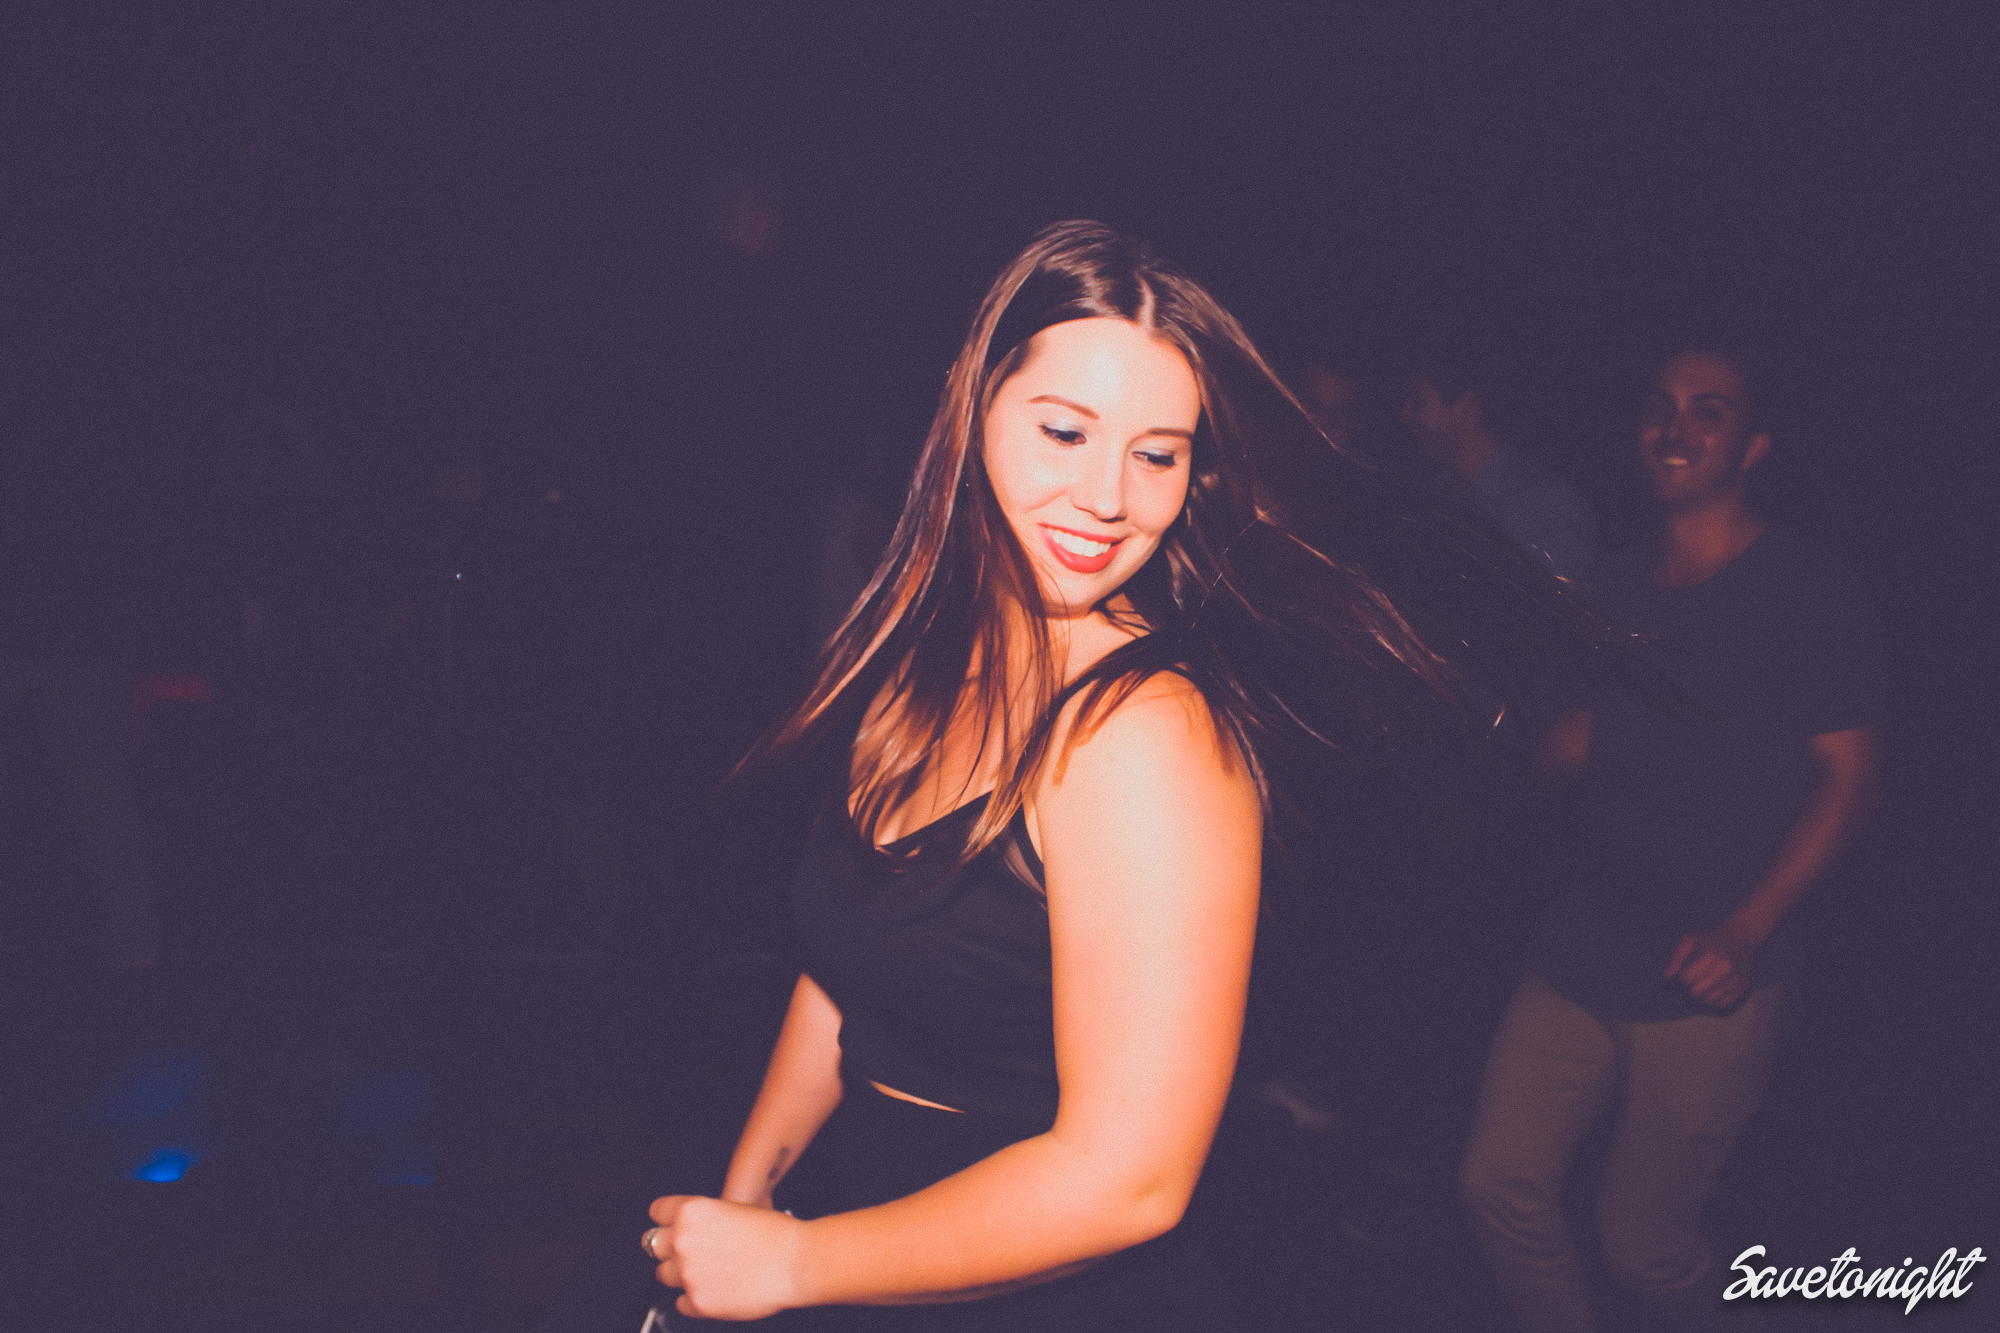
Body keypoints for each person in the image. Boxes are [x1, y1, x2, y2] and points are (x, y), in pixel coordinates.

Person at [628, 222, 1645, 1330]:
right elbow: (844, 969)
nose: (1107, 496)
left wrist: (793, 1262)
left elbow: (1132, 1179)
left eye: (1155, 454)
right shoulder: (930, 666)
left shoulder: (1144, 736)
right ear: (975, 407)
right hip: (868, 1250)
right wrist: (748, 1198)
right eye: (1064, 431)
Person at [1460, 349, 1882, 1332]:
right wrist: (1547, 747)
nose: (1674, 427)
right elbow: (1556, 760)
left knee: (1643, 1246)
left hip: (1710, 971)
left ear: (1753, 446)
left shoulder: (1807, 592)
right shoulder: (1604, 589)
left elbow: (1850, 779)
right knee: (1495, 1183)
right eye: (1659, 406)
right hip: (1580, 948)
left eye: (1707, 411)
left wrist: (1747, 929)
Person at [1402, 347, 1597, 581]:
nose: (1405, 414)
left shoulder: (1549, 507)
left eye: (1419, 401)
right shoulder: (1431, 483)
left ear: (1466, 405)